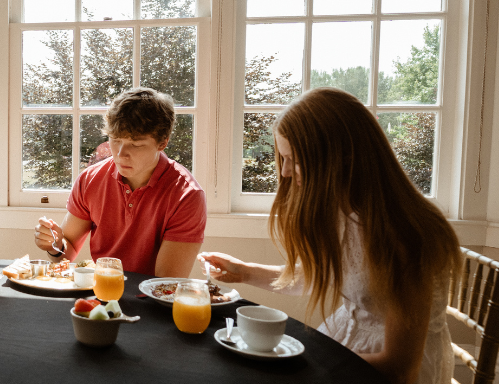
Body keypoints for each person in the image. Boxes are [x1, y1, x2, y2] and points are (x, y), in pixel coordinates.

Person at [201, 87, 459, 384]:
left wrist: (306, 367)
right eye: (283, 159)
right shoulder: (344, 210)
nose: (284, 172)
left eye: (294, 160)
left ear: (343, 156)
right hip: (345, 346)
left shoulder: (405, 234)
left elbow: (401, 369)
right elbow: (320, 276)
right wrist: (244, 272)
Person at [33, 88, 206, 277]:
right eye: (115, 140)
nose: (121, 154)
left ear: (162, 143)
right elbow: (67, 251)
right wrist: (55, 244)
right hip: (100, 292)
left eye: (136, 144)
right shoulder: (90, 180)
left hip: (150, 302)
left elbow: (165, 284)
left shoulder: (187, 195)